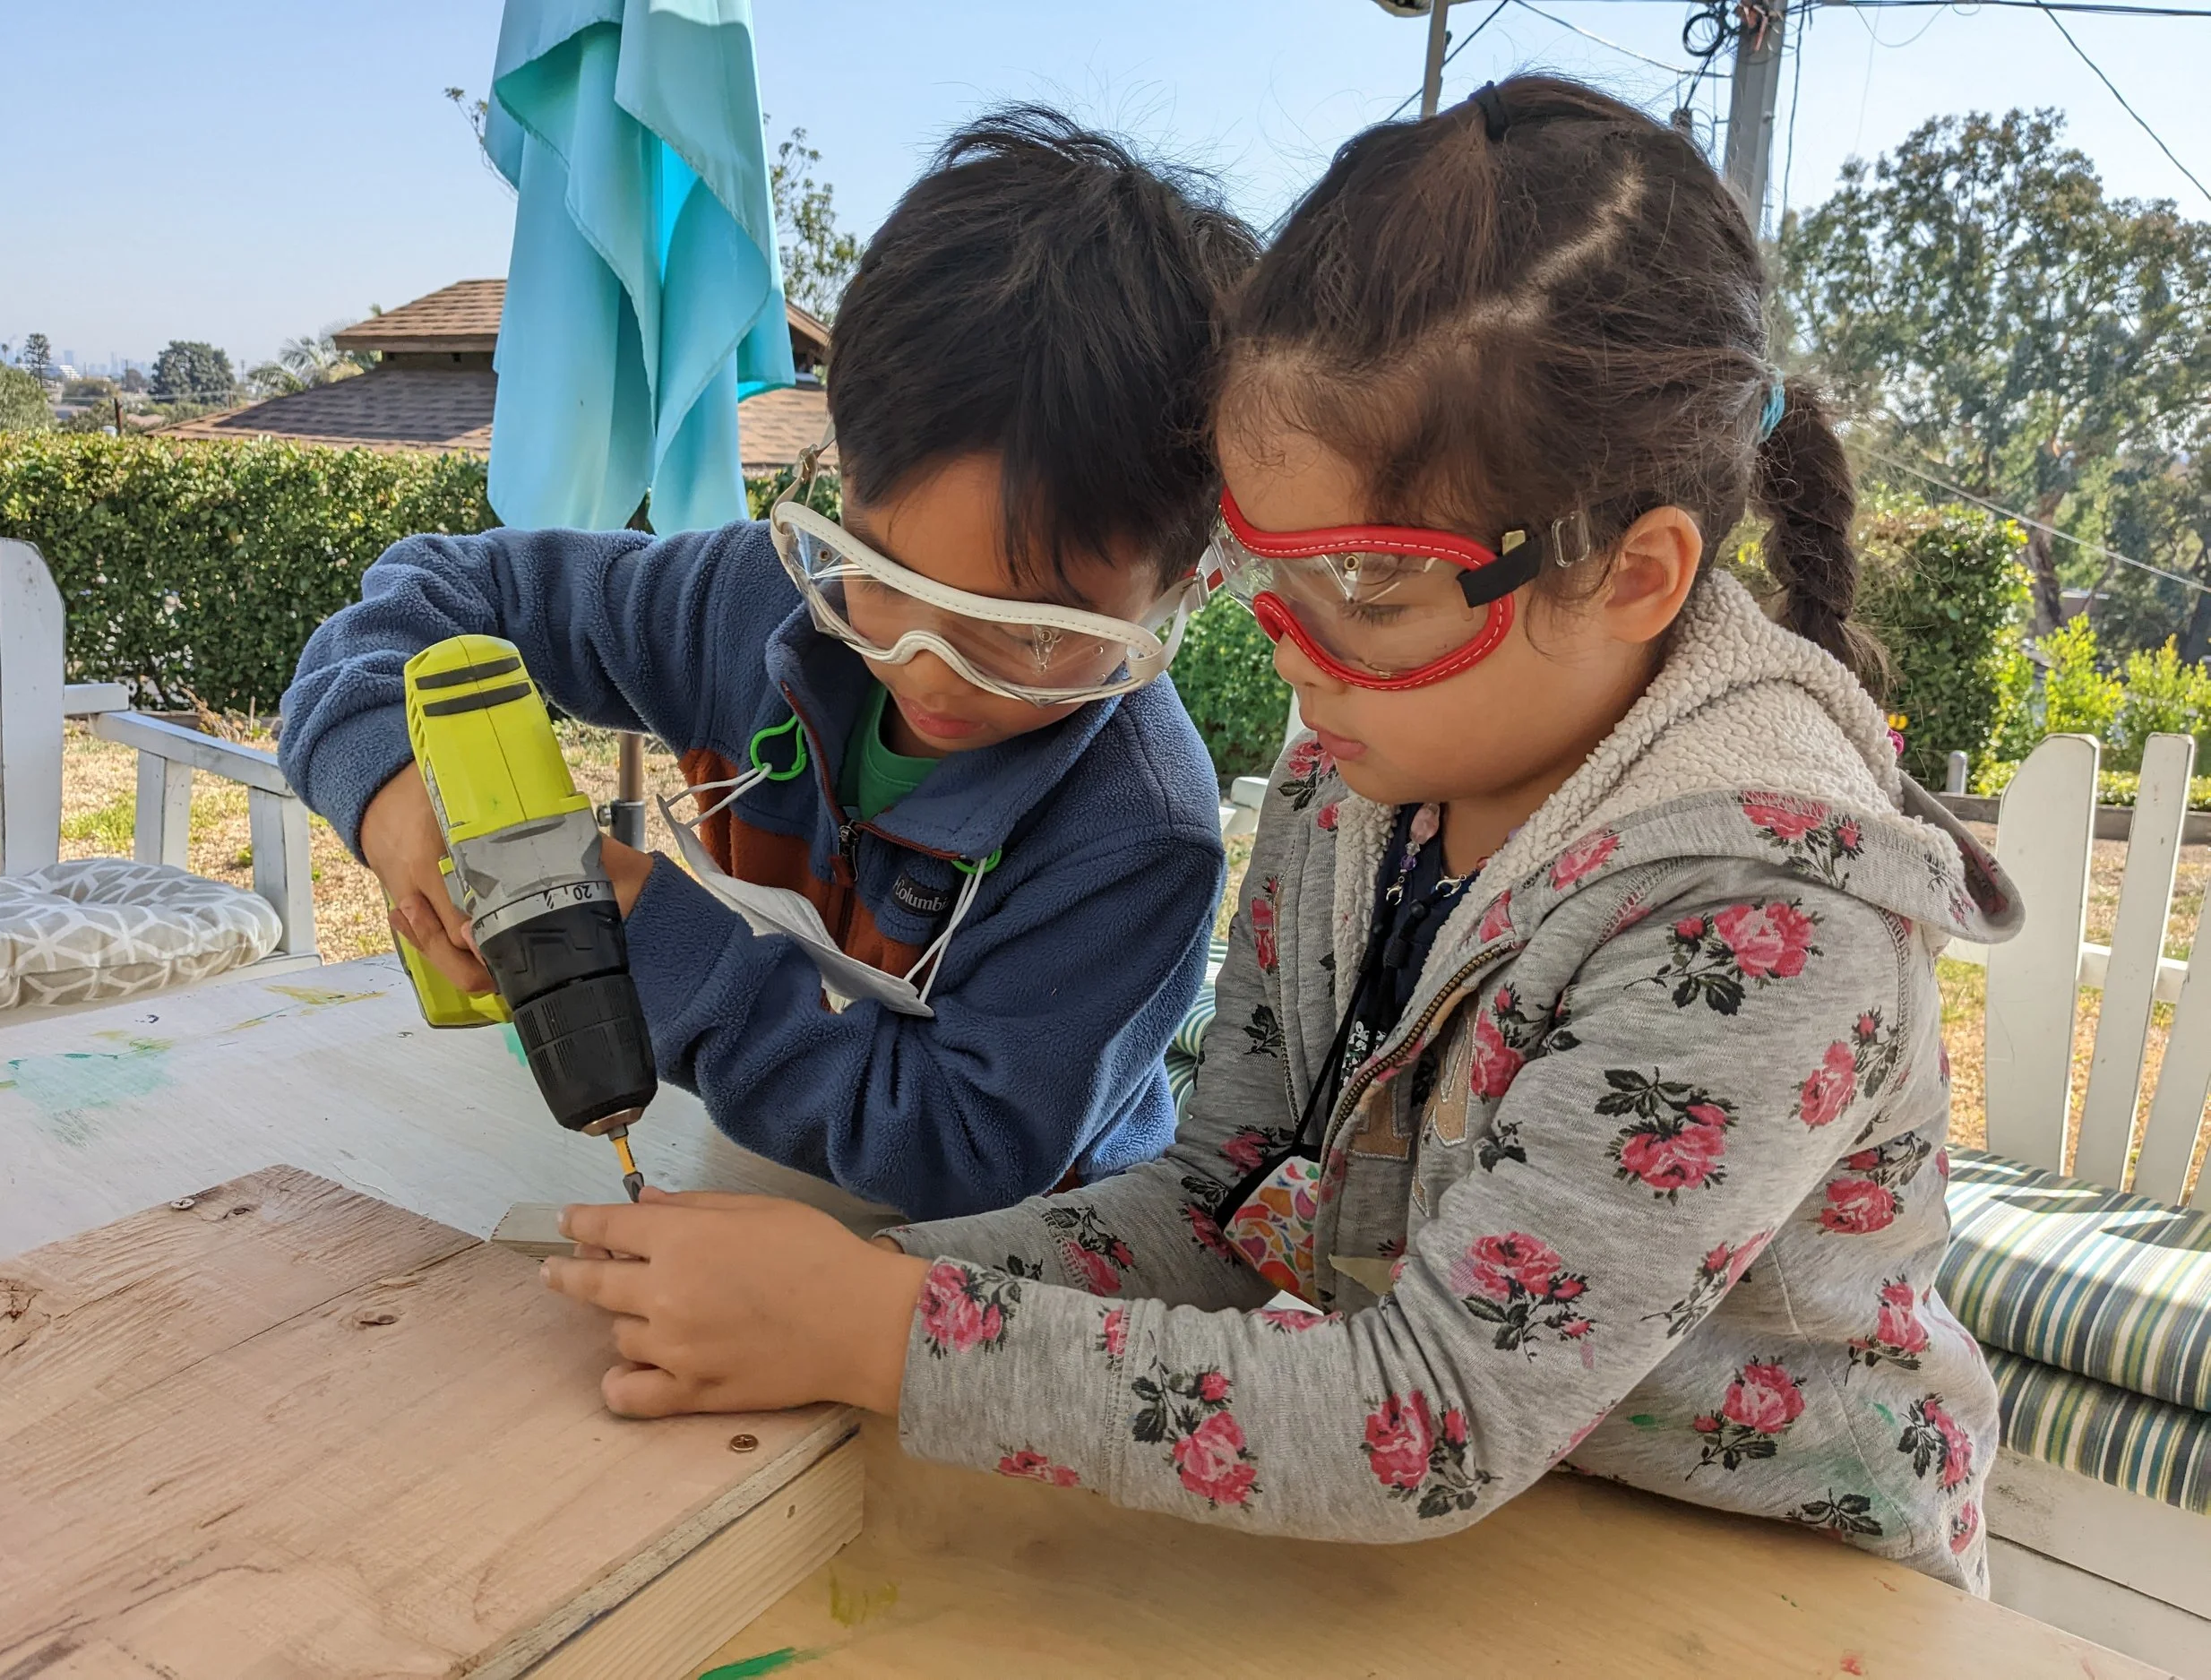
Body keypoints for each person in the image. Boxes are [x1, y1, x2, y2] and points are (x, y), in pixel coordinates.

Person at [537, 76, 2016, 1591]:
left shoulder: (1767, 914)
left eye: (1367, 591)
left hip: (1779, 1584)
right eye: (1267, 571)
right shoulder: (1356, 777)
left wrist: (879, 1330)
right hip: (1479, 1534)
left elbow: (1434, 1417)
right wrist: (847, 1285)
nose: (1293, 655)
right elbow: (1224, 1205)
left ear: (1635, 574)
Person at [279, 109, 1258, 1221]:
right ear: (836, 477)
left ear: (1184, 586)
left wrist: (660, 951)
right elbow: (432, 592)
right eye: (879, 572)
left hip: (1009, 1255)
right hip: (767, 1168)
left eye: (1028, 632)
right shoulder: (748, 605)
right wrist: (393, 790)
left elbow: (964, 1146)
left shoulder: (1137, 836)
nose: (930, 671)